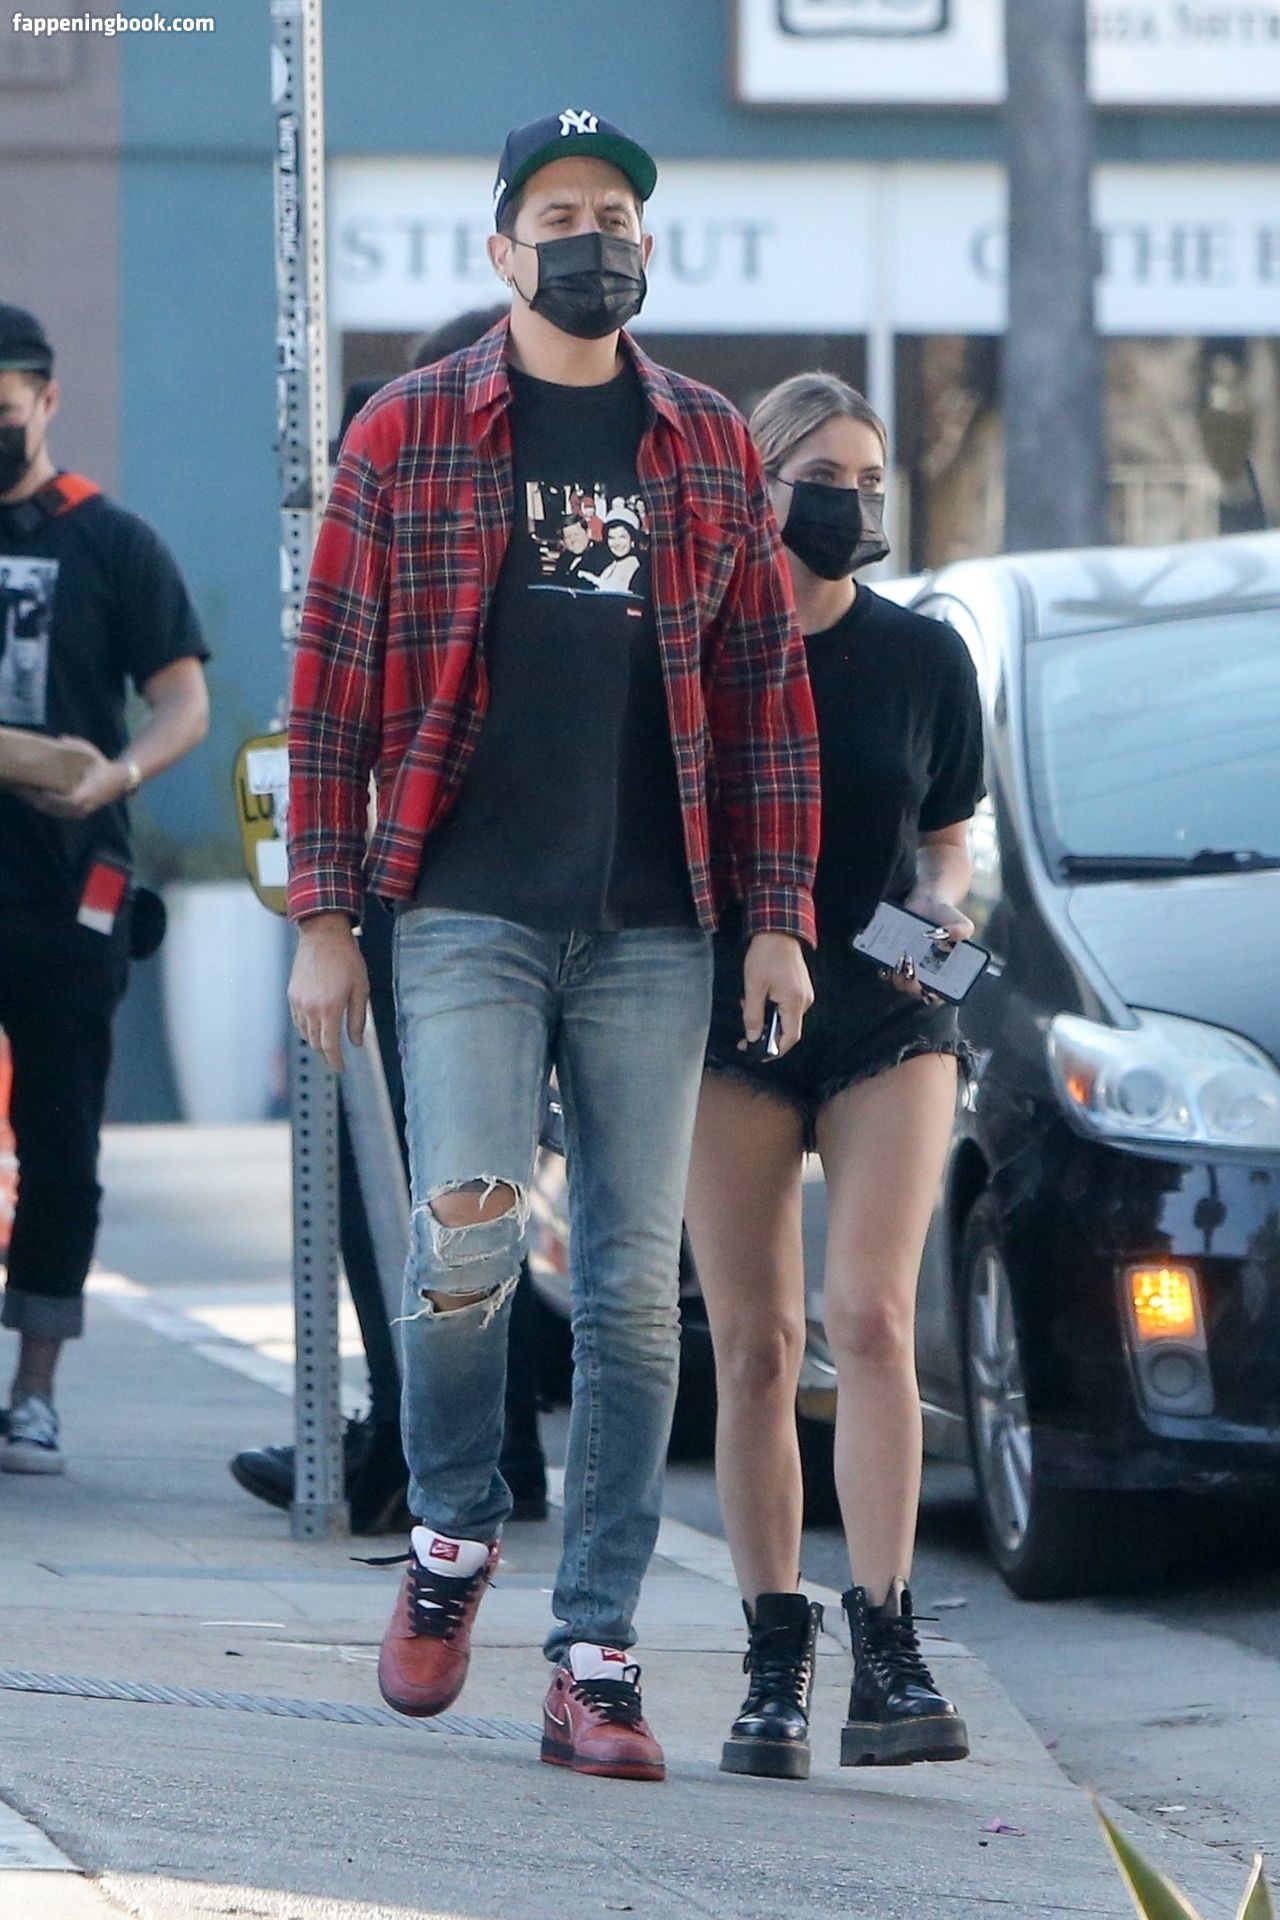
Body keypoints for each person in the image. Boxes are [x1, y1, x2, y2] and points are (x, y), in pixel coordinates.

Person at [287, 110, 819, 1783]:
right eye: (562, 213)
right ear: (502, 250)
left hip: (660, 924)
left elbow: (766, 697)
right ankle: (452, 1535)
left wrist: (781, 917)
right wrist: (323, 917)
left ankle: (595, 1654)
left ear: (648, 247)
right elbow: (330, 685)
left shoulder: (708, 440)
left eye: (618, 215)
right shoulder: (408, 433)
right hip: (464, 908)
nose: (595, 237)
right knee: (463, 1243)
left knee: (634, 1300)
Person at [684, 371, 985, 1781]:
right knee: (753, 1346)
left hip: (883, 1006)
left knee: (868, 1317)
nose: (850, 503)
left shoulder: (923, 656)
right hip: (726, 1019)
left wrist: (945, 919)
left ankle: (888, 1639)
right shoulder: (693, 644)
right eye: (822, 477)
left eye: (870, 481)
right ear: (755, 482)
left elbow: (943, 840)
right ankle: (771, 1649)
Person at [231, 303, 549, 1532]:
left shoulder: (462, 516)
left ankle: (428, 1448)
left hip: (436, 889)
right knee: (455, 1190)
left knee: (415, 1193)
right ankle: (448, 1439)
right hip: (450, 885)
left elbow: (353, 710)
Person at [0, 303, 209, 1473]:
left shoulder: (112, 542)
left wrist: (115, 775)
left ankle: (34, 1391)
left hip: (69, 883)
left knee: (62, 1137)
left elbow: (183, 701)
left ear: (46, 400)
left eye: (2, 408)